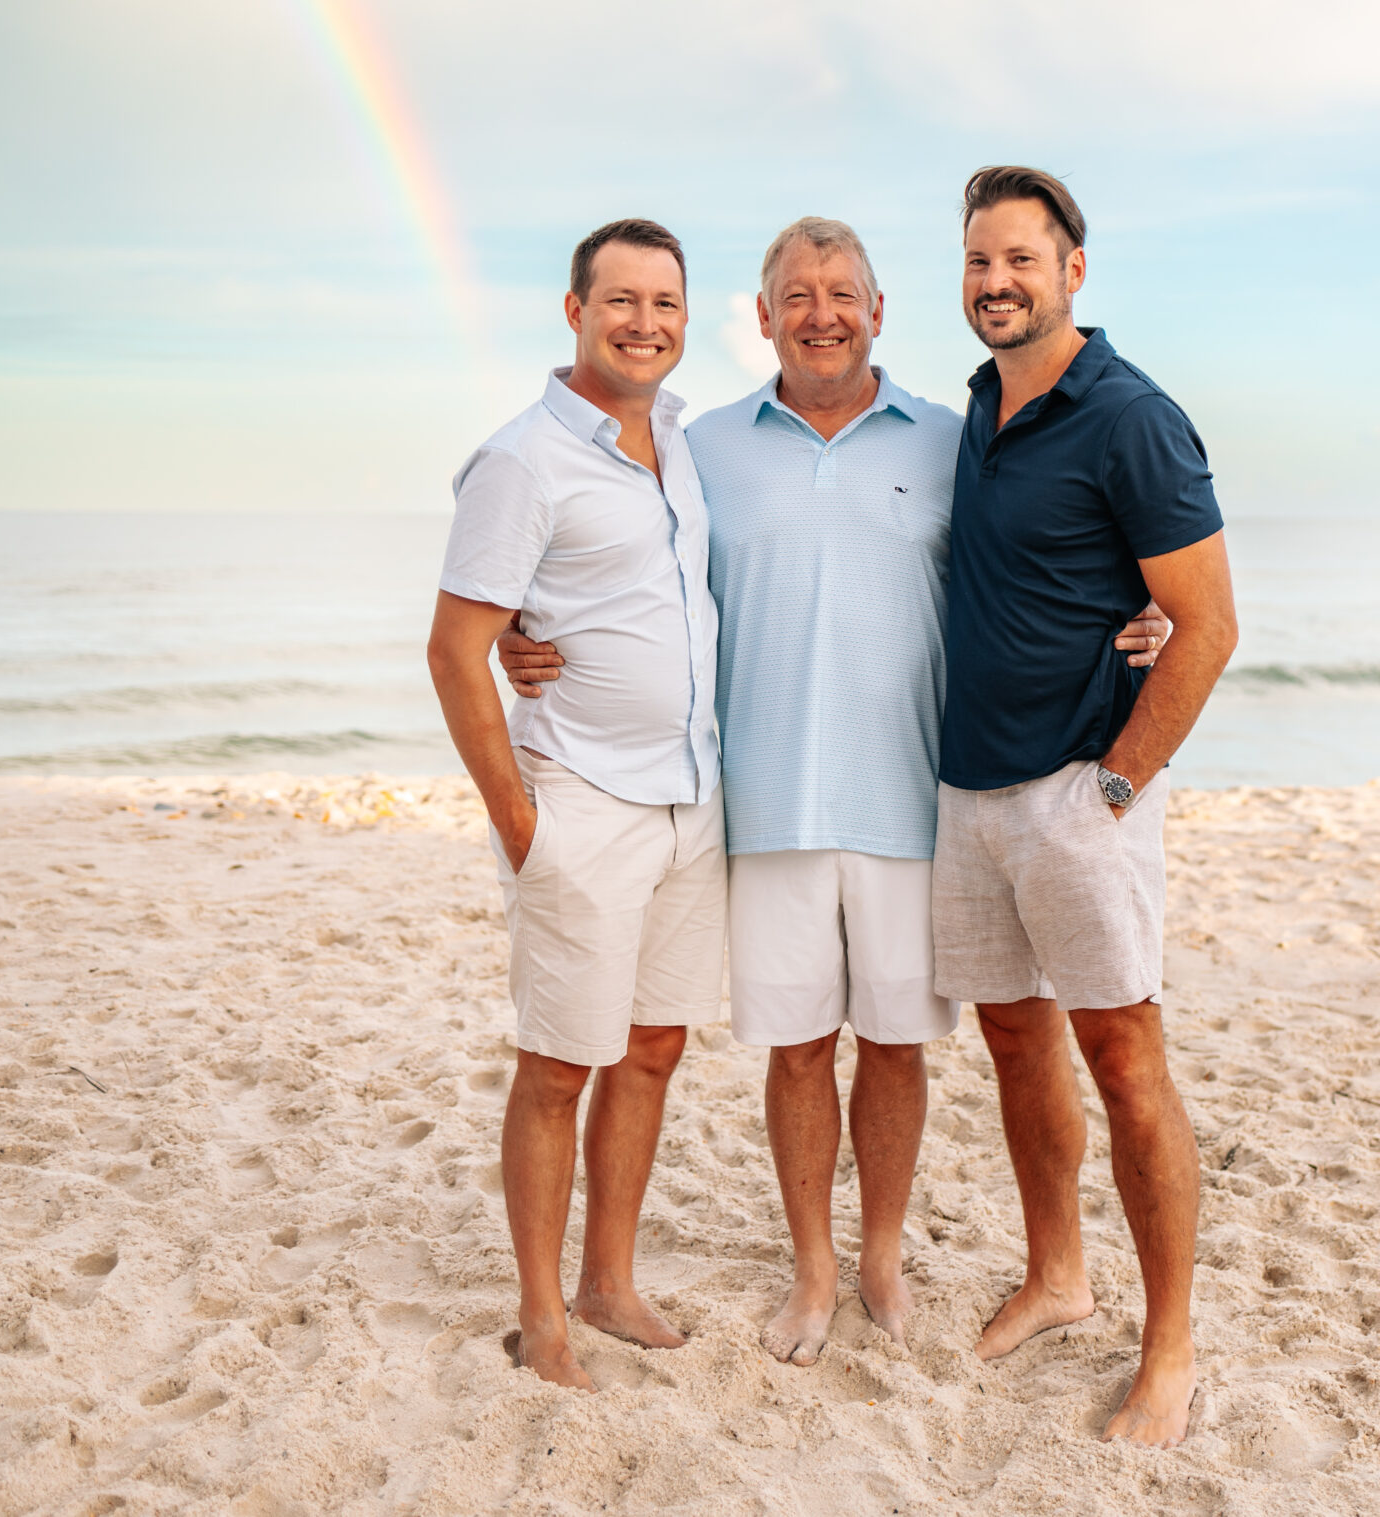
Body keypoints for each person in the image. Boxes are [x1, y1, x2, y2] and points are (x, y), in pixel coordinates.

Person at [497, 217, 1169, 1368]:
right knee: (797, 1047)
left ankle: (881, 1256)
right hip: (760, 809)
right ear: (760, 317)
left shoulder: (959, 441)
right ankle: (814, 1265)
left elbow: (1044, 560)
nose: (820, 312)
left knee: (896, 1045)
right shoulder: (700, 445)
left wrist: (1137, 619)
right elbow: (620, 556)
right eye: (795, 294)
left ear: (876, 309)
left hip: (918, 802)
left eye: (841, 292)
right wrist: (521, 625)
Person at [932, 166, 1239, 1448]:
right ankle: (1058, 1274)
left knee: (1124, 1059)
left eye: (1019, 259)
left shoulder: (1130, 415)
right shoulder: (975, 407)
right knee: (1012, 1040)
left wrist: (1114, 786)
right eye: (976, 262)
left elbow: (1208, 627)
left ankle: (1166, 1348)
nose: (995, 282)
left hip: (1074, 792)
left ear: (1071, 271)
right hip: (964, 792)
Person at [425, 218, 723, 1393]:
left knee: (650, 1050)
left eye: (664, 302)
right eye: (620, 301)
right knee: (558, 1063)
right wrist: (518, 817)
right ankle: (543, 1312)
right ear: (573, 310)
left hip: (691, 800)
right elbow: (455, 649)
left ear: (685, 318)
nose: (643, 322)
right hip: (579, 799)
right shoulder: (521, 461)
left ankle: (609, 1278)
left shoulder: (688, 443)